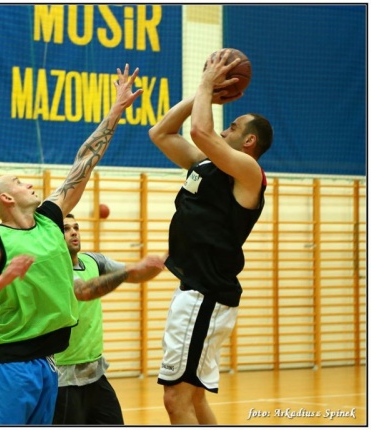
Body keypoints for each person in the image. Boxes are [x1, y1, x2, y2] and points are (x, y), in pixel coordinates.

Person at [0, 64, 144, 425]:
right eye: (19, 182)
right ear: (7, 198)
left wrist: (116, 111)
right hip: (11, 362)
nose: (29, 184)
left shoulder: (50, 219)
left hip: (49, 360)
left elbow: (84, 161)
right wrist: (3, 279)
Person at [147, 49, 273, 425]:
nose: (224, 129)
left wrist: (206, 84)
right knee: (194, 399)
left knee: (176, 399)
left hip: (206, 292)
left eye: (233, 127)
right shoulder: (205, 165)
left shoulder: (248, 173)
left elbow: (200, 132)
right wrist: (205, 95)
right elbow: (160, 133)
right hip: (196, 290)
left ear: (249, 142)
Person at [53, 213, 165, 425]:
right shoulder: (54, 268)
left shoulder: (94, 261)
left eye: (76, 227)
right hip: (63, 377)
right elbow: (85, 290)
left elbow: (135, 274)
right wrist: (132, 269)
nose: (74, 232)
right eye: (66, 229)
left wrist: (163, 260)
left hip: (94, 373)